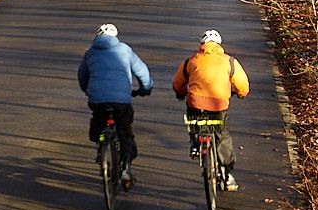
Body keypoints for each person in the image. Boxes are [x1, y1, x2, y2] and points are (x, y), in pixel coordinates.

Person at [76, 23, 153, 188]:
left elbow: (82, 76)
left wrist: (88, 91)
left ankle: (101, 146)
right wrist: (145, 89)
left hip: (97, 100)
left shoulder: (90, 52)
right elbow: (142, 72)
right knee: (125, 132)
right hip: (121, 101)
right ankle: (126, 168)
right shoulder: (124, 50)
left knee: (98, 120)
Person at [172, 26, 251, 179]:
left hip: (196, 103)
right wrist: (241, 93)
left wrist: (181, 93)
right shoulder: (229, 61)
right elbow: (242, 83)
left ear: (201, 44)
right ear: (219, 44)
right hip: (219, 104)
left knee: (194, 118)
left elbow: (178, 83)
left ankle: (196, 143)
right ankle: (228, 174)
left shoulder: (191, 61)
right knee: (222, 134)